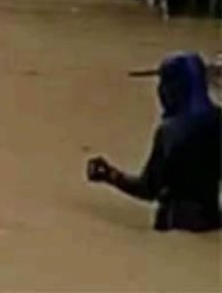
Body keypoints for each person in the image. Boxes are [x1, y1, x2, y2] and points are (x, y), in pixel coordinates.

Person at [87, 52, 221, 232]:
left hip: (175, 224)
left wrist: (110, 175)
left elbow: (148, 189)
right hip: (212, 221)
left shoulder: (170, 132)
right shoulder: (217, 120)